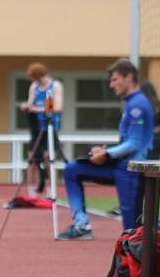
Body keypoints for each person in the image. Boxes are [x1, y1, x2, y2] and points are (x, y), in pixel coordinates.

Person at [59, 58, 153, 240]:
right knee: (72, 169)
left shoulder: (138, 105)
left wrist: (107, 153)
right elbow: (129, 142)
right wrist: (106, 152)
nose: (111, 85)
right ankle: (81, 225)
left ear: (129, 77)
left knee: (131, 233)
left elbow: (134, 144)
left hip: (132, 171)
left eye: (115, 79)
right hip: (121, 166)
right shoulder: (131, 103)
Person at [19, 63, 63, 198]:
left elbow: (58, 107)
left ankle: (52, 191)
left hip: (50, 127)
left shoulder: (55, 86)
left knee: (48, 160)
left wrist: (41, 109)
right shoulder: (34, 87)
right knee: (32, 159)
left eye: (36, 78)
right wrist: (26, 106)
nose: (35, 81)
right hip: (36, 128)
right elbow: (30, 103)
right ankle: (32, 192)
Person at [140, 81, 160, 160]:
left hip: (143, 138)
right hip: (157, 139)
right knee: (153, 163)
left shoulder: (141, 105)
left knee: (141, 163)